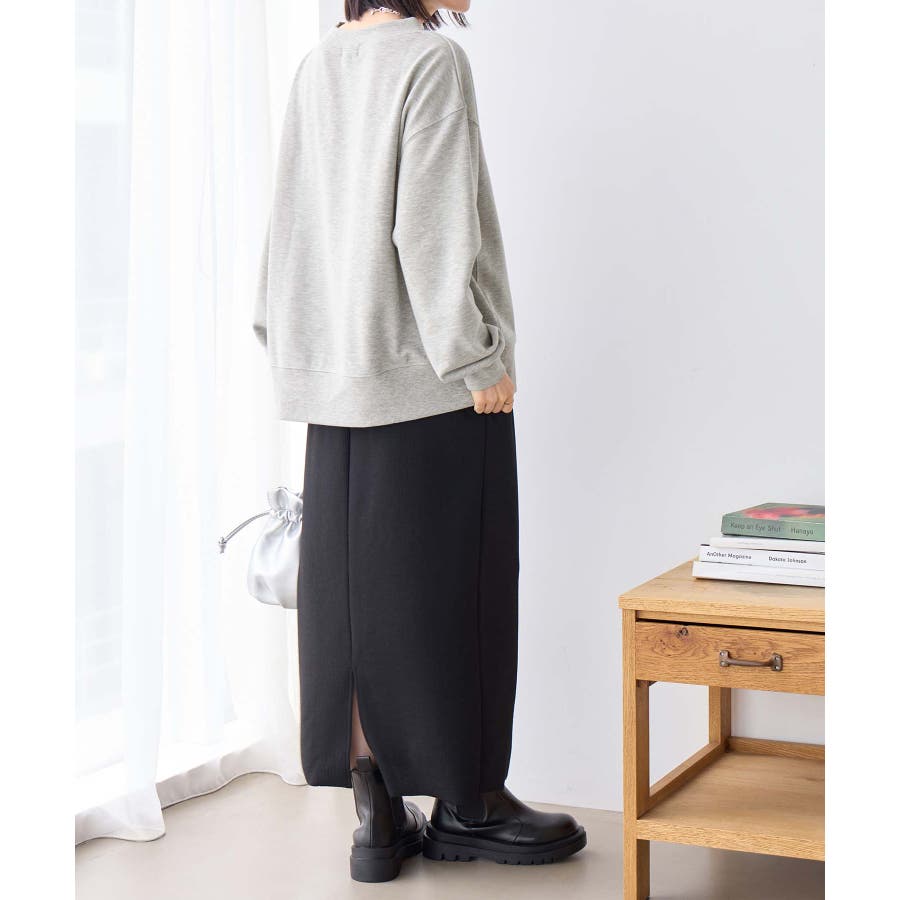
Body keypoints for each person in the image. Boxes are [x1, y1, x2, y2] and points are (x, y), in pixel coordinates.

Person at [254, 0, 586, 883]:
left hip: (337, 385)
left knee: (352, 603)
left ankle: (376, 810)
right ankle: (470, 803)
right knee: (456, 592)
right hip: (426, 381)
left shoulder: (319, 65)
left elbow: (290, 223)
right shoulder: (429, 63)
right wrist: (475, 358)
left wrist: (292, 345)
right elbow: (431, 228)